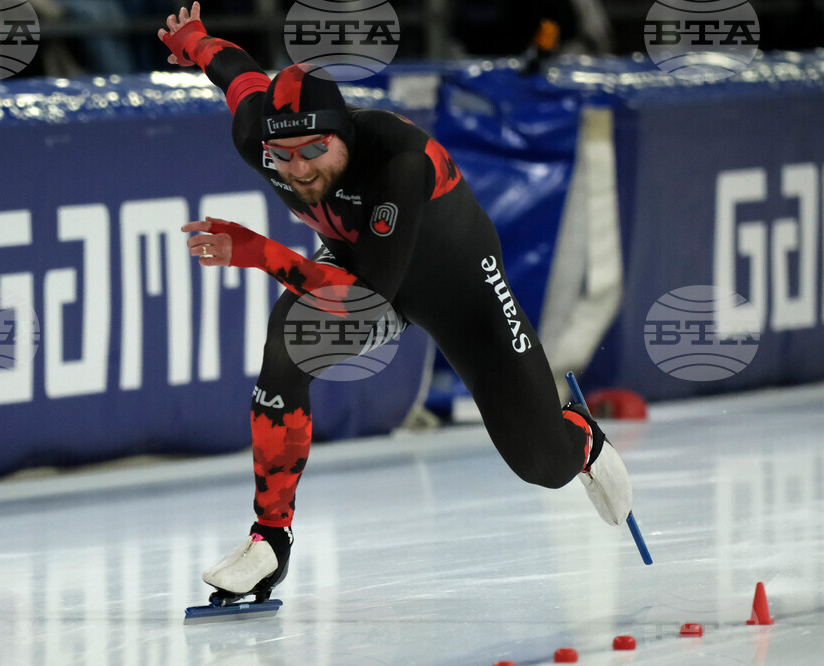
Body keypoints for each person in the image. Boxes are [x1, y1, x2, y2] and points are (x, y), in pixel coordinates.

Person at [158, 2, 632, 605]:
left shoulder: (397, 163)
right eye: (284, 156)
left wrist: (256, 250)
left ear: (344, 136)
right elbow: (238, 73)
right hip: (363, 262)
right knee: (287, 342)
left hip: (460, 288)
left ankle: (581, 439)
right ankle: (269, 540)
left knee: (543, 465)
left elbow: (364, 300)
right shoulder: (261, 135)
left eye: (313, 151)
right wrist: (195, 39)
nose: (298, 170)